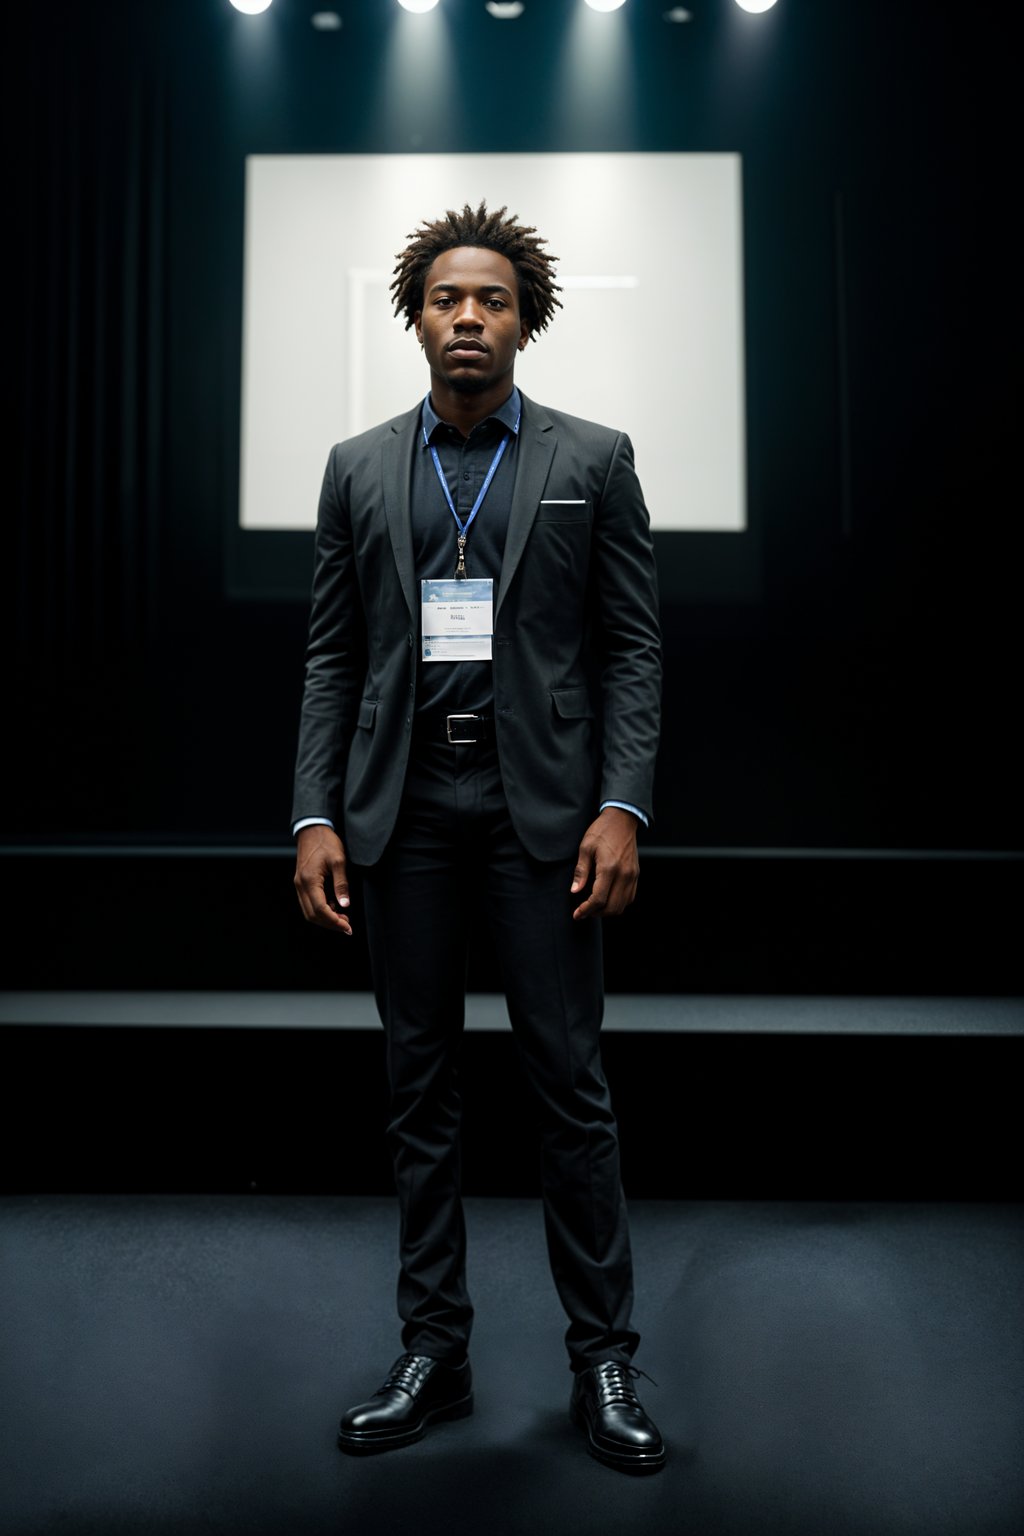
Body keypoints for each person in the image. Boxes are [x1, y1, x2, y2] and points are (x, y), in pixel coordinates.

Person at [291, 202, 664, 1474]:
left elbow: (631, 649)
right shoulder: (355, 465)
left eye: (490, 300)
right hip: (405, 820)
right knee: (418, 1093)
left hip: (542, 821)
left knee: (570, 1090)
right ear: (415, 314)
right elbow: (335, 657)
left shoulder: (593, 458)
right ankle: (434, 1354)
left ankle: (603, 1358)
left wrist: (622, 804)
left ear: (524, 318)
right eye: (447, 299)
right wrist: (316, 812)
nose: (467, 317)